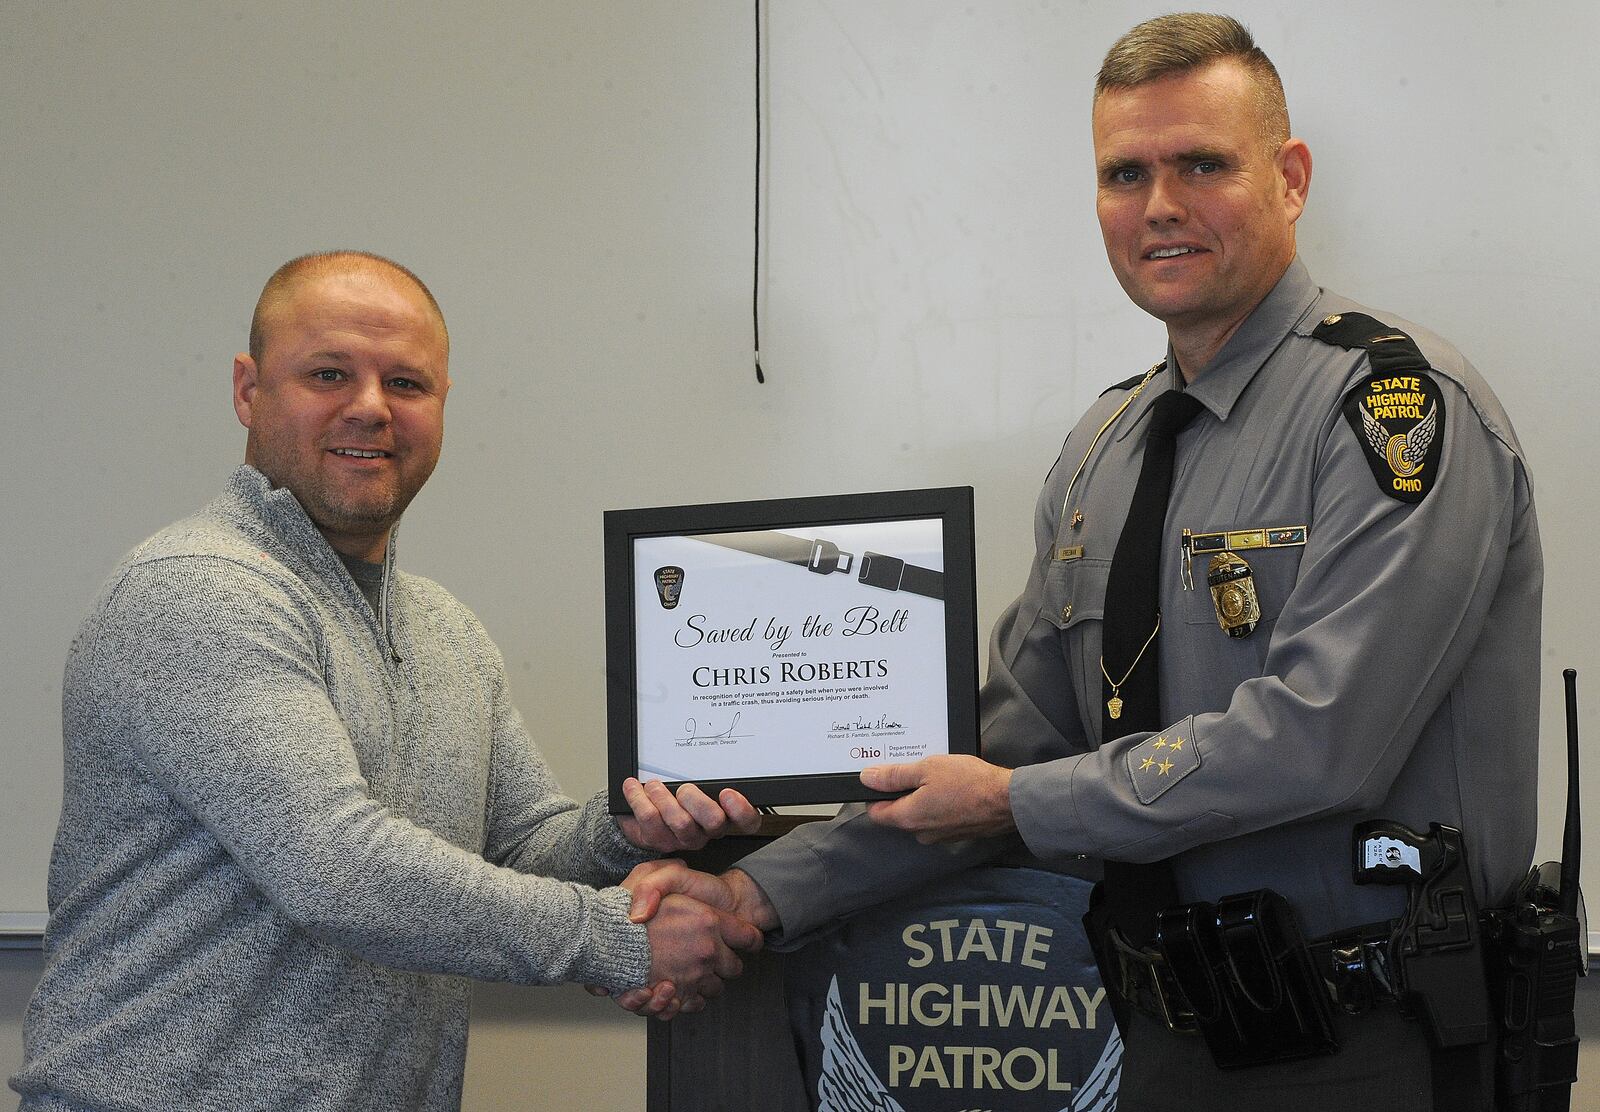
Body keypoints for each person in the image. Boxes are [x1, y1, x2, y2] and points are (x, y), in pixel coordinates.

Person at [624, 14, 1541, 1111]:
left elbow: (1319, 740)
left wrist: (1017, 800)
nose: (1159, 204)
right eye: (1125, 172)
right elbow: (1004, 744)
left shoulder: (1390, 410)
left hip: (1374, 1049)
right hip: (1161, 1038)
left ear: (1289, 179)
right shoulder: (1103, 448)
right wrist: (755, 898)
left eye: (1202, 163)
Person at [10, 251, 762, 1111]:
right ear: (247, 390)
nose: (369, 407)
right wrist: (625, 941)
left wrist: (638, 822)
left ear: (442, 405)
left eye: (406, 383)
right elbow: (334, 867)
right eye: (329, 373)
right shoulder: (196, 588)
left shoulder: (444, 626)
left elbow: (519, 849)